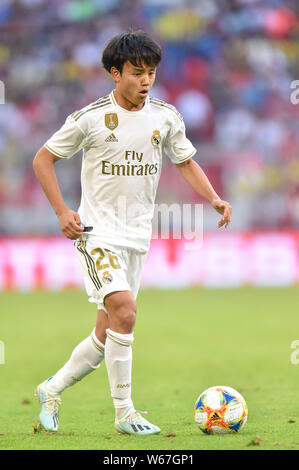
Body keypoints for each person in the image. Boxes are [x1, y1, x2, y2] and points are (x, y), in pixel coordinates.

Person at [33, 30, 232, 436]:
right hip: (96, 233)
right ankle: (125, 414)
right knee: (125, 311)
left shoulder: (165, 116)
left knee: (107, 333)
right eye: (137, 72)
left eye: (152, 73)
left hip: (137, 237)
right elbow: (43, 159)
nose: (146, 81)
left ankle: (51, 389)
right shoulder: (89, 119)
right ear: (114, 73)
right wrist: (62, 212)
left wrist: (213, 198)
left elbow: (185, 161)